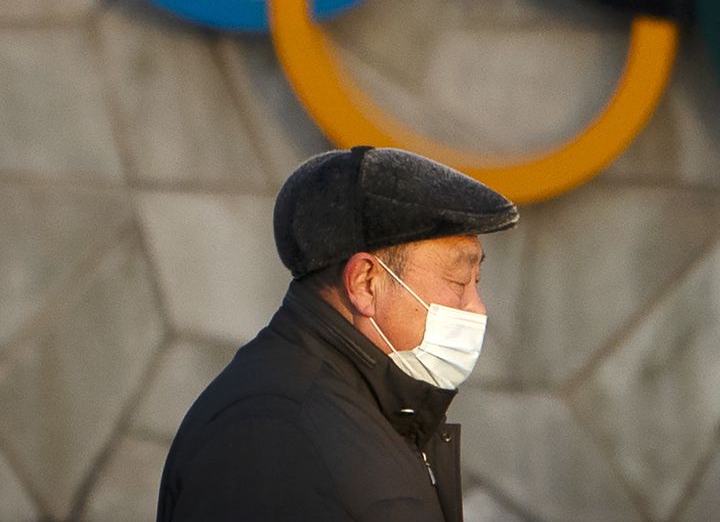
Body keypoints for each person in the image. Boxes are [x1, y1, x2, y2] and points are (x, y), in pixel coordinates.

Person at [156, 146, 519, 522]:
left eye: (477, 282)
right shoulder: (273, 435)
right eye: (459, 281)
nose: (477, 307)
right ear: (365, 283)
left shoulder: (372, 415)